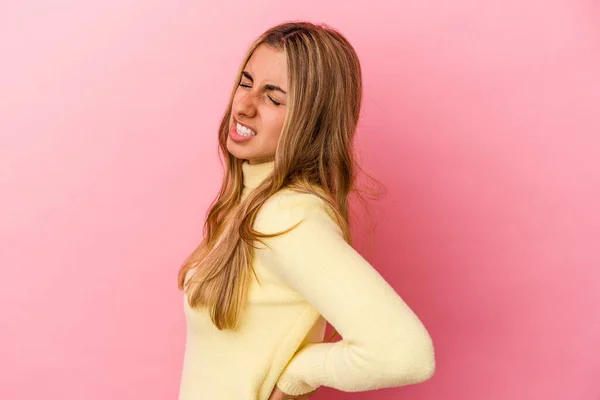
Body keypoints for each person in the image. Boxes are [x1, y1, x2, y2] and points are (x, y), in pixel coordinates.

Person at [177, 21, 435, 400]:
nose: (244, 106)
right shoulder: (254, 203)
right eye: (246, 83)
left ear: (310, 122)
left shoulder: (287, 217)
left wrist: (299, 373)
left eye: (273, 98)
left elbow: (406, 353)